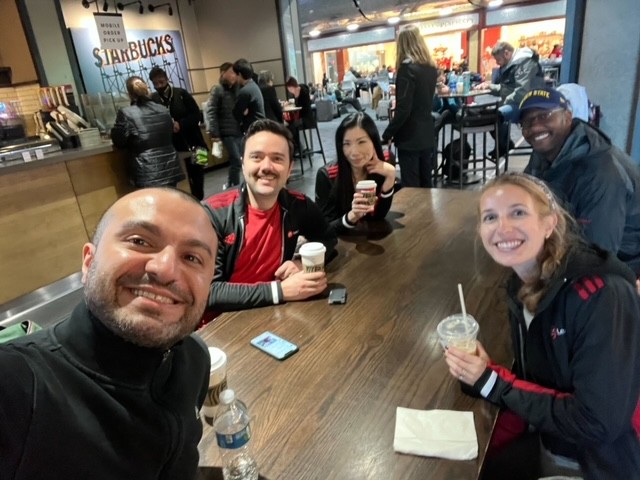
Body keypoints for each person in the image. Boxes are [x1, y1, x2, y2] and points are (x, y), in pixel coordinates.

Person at [0, 188, 218, 480]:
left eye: (192, 258)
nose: (165, 270)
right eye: (140, 241)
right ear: (89, 262)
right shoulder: (19, 385)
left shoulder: (194, 358)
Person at [444, 172, 640, 479]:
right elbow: (537, 377)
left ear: (549, 223)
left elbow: (597, 422)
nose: (502, 228)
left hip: (594, 464)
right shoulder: (519, 285)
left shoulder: (600, 295)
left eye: (518, 212)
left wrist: (492, 383)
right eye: (490, 217)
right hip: (548, 441)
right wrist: (484, 374)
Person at [202, 119, 337, 318]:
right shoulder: (213, 213)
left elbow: (328, 239)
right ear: (242, 162)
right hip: (219, 327)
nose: (266, 167)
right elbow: (208, 292)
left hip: (272, 315)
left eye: (277, 158)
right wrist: (280, 290)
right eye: (256, 157)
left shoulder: (298, 206)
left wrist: (300, 262)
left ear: (290, 168)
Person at [520, 87, 640, 274]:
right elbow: (525, 199)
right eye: (527, 122)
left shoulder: (601, 173)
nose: (535, 127)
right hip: (569, 243)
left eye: (545, 116)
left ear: (567, 117)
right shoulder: (543, 153)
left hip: (622, 266)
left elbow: (599, 256)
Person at [315, 112, 396, 233]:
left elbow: (379, 215)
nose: (354, 152)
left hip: (374, 240)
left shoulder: (386, 162)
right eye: (347, 144)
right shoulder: (327, 175)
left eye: (361, 142)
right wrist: (353, 215)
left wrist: (390, 176)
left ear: (374, 141)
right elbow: (324, 230)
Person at [382, 24, 438, 188]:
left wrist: (387, 134)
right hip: (427, 132)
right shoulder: (430, 68)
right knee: (426, 183)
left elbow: (403, 109)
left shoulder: (407, 70)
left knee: (412, 187)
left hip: (409, 136)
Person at [475, 41, 546, 158]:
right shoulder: (515, 63)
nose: (498, 64)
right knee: (492, 113)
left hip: (529, 104)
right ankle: (504, 145)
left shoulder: (524, 62)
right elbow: (508, 88)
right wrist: (489, 86)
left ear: (506, 53)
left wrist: (505, 101)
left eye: (499, 60)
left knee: (496, 115)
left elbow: (521, 92)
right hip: (522, 101)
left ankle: (504, 146)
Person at [111, 76, 184, 188]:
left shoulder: (126, 113)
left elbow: (119, 141)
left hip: (146, 171)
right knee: (170, 201)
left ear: (129, 94)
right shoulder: (163, 109)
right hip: (170, 166)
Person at [149, 66, 207, 200]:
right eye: (155, 84)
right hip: (176, 147)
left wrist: (181, 124)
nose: (159, 86)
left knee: (199, 175)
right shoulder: (154, 99)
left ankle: (201, 202)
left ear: (167, 79)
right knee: (183, 181)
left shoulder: (181, 94)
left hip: (197, 143)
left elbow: (197, 115)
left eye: (161, 82)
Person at [207, 62, 243, 190]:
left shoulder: (237, 88)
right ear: (223, 73)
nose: (234, 75)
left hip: (239, 130)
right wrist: (214, 134)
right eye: (231, 72)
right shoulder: (217, 89)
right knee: (236, 161)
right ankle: (233, 186)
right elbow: (211, 111)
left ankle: (233, 185)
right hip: (227, 132)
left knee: (240, 161)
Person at [232, 58, 265, 134]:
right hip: (260, 127)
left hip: (253, 130)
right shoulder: (253, 85)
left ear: (239, 74)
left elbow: (236, 114)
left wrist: (243, 112)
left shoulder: (245, 91)